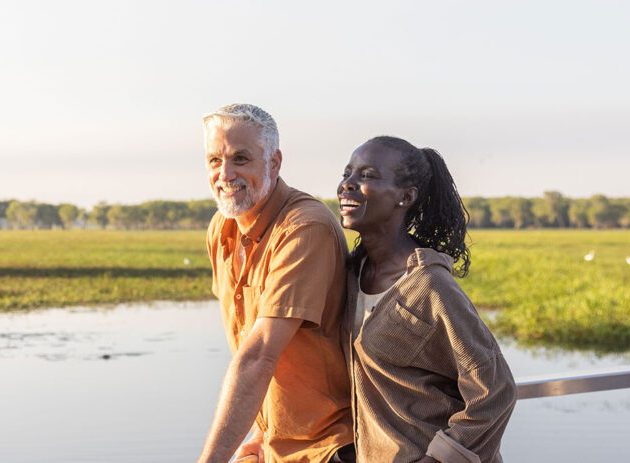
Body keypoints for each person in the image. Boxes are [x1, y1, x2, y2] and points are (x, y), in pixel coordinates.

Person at [337, 136, 516, 463]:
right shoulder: (351, 273)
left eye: (367, 175)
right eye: (347, 173)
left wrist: (438, 459)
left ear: (406, 197)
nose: (347, 185)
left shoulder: (429, 285)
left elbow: (495, 389)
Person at [197, 104, 354, 463]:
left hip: (327, 447)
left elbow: (259, 354)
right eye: (213, 160)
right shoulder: (221, 229)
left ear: (274, 162)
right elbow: (247, 343)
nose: (225, 174)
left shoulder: (304, 227)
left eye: (241, 158)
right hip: (273, 446)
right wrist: (261, 431)